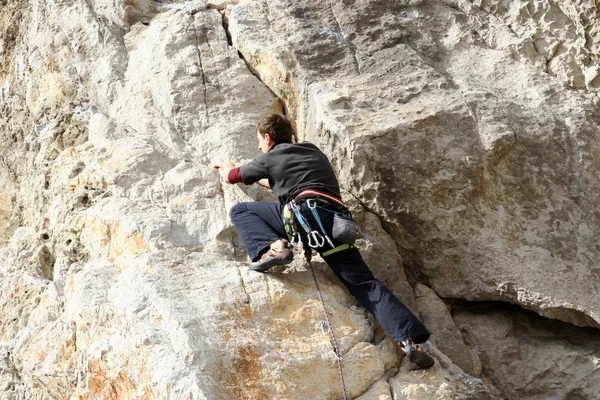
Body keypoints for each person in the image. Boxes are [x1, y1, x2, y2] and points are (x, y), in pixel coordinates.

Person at [212, 114, 434, 369]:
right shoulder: (311, 152)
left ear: (267, 137)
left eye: (259, 142)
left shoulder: (271, 156)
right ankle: (410, 343)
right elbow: (275, 180)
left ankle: (273, 249)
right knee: (365, 283)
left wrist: (226, 166)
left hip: (303, 218)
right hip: (336, 225)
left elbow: (233, 177)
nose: (259, 148)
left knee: (242, 210)